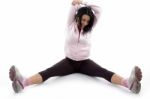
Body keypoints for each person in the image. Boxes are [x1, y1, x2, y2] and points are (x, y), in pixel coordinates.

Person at [9, 0, 142, 94]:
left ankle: (129, 83)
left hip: (85, 63)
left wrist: (85, 4)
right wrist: (78, 4)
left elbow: (99, 10)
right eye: (83, 19)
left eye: (87, 21)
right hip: (69, 62)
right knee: (49, 72)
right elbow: (74, 3)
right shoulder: (70, 24)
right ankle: (22, 82)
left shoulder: (89, 28)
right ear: (77, 17)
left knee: (103, 72)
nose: (84, 23)